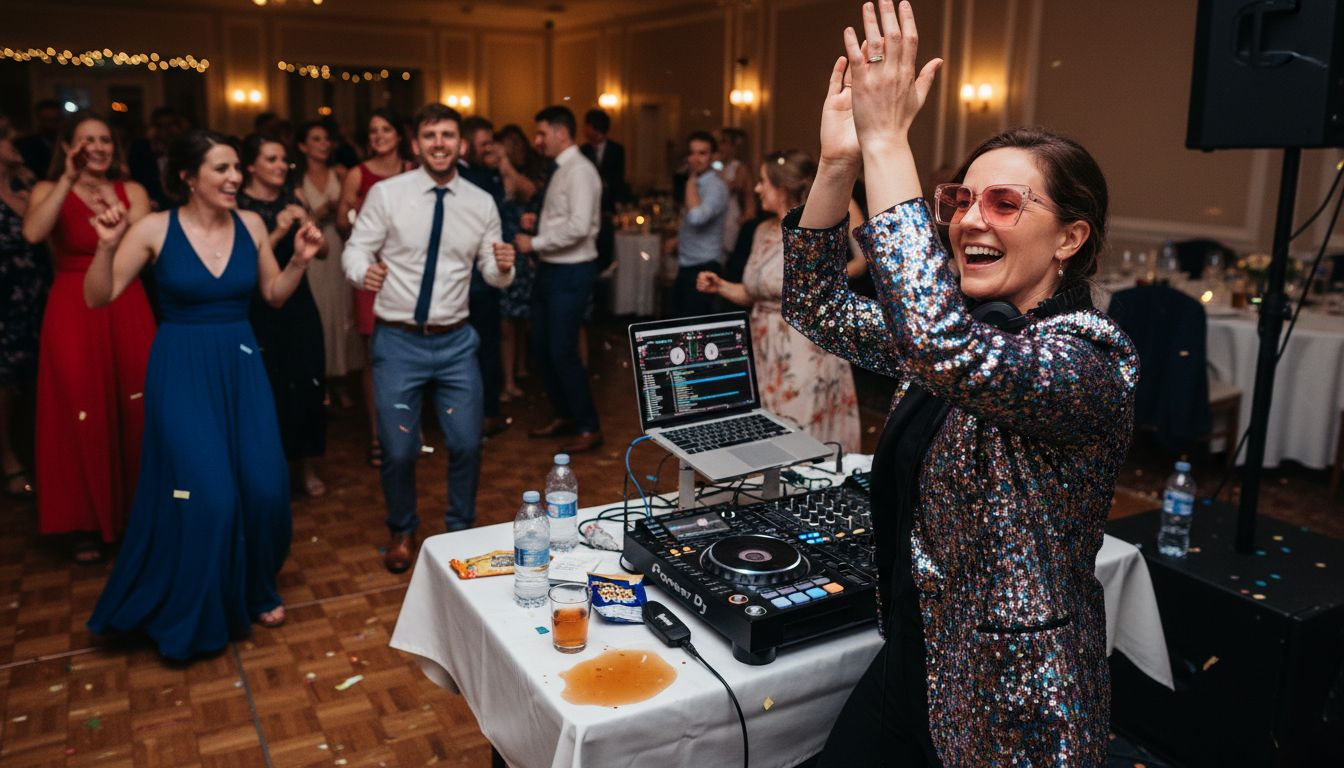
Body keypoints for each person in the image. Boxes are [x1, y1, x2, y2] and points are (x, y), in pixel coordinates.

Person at [783, 2, 1136, 765]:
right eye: (959, 199)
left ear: (1071, 237)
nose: (969, 220)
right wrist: (841, 162)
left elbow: (942, 347)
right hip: (913, 663)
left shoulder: (1088, 361)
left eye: (1005, 203)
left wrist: (887, 139)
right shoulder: (964, 339)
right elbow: (815, 308)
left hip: (1011, 704)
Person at [84, 129, 324, 658]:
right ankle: (199, 604)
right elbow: (97, 297)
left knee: (265, 488)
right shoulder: (153, 228)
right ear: (188, 177)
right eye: (221, 168)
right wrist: (105, 247)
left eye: (237, 167)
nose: (235, 177)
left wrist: (300, 260)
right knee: (209, 495)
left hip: (241, 365)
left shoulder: (253, 223)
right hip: (180, 369)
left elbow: (272, 295)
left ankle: (257, 585)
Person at [342, 103, 515, 574]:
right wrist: (364, 272)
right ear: (416, 144)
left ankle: (459, 529)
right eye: (430, 135)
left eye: (448, 135)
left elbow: (492, 274)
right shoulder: (388, 195)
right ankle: (401, 529)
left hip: (456, 341)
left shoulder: (481, 202)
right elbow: (354, 248)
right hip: (398, 340)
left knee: (467, 443)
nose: (440, 143)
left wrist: (503, 267)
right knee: (397, 450)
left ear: (460, 145)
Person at [22, 112, 156, 563]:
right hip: (73, 303)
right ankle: (85, 520)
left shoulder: (133, 190)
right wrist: (67, 179)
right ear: (69, 146)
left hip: (125, 296)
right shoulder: (46, 190)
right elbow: (34, 232)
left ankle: (141, 512)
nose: (97, 147)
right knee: (80, 405)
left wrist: (116, 228)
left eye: (104, 140)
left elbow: (142, 244)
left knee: (136, 402)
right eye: (86, 140)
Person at [697, 150, 860, 452]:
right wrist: (720, 286)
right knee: (762, 436)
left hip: (803, 350)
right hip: (761, 348)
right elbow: (755, 293)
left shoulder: (817, 227)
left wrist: (823, 283)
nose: (756, 189)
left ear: (781, 187)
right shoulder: (760, 231)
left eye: (762, 182)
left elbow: (864, 260)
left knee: (799, 438)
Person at [238, 133, 329, 498]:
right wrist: (276, 231)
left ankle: (305, 466)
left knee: (306, 381)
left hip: (299, 304)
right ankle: (269, 470)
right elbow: (239, 261)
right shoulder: (239, 207)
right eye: (271, 159)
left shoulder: (295, 198)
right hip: (256, 307)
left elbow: (321, 254)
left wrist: (305, 223)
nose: (280, 166)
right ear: (251, 166)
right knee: (268, 386)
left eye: (283, 160)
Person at [514, 105, 603, 453]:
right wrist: (538, 221)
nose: (537, 141)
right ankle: (564, 414)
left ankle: (588, 425)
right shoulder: (561, 169)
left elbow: (580, 227)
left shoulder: (580, 171)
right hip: (551, 269)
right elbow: (564, 217)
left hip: (571, 271)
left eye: (541, 133)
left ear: (561, 133)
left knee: (562, 350)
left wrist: (534, 241)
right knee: (542, 346)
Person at [337, 108, 416, 468]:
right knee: (376, 356)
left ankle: (410, 428)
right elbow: (342, 223)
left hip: (408, 273)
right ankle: (376, 433)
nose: (378, 136)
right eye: (373, 131)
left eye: (385, 129)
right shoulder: (358, 173)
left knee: (414, 350)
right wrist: (360, 213)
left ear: (399, 135)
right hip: (372, 272)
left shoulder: (413, 172)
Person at [294, 120, 361, 398]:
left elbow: (355, 211)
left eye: (326, 139)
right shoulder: (297, 180)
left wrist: (345, 213)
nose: (323, 144)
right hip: (314, 247)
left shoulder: (342, 173)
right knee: (320, 310)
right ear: (303, 146)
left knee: (343, 309)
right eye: (316, 139)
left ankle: (342, 379)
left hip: (341, 244)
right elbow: (301, 218)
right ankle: (321, 380)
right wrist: (323, 211)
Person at [0, 117, 47, 498]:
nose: (14, 140)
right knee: (2, 384)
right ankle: (8, 458)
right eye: (4, 135)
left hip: (30, 294)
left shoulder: (26, 184)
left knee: (29, 378)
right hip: (2, 296)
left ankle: (34, 454)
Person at [457, 115, 508, 436]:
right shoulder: (471, 178)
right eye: (484, 144)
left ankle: (484, 411)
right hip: (473, 281)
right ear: (467, 145)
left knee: (483, 347)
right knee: (481, 348)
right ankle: (483, 413)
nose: (489, 149)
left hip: (483, 277)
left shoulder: (482, 174)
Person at [494, 124, 543, 402]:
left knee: (517, 319)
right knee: (505, 324)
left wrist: (506, 165)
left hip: (517, 255)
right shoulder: (490, 178)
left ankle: (517, 371)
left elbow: (531, 192)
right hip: (497, 252)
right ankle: (509, 379)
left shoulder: (518, 177)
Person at [665, 131, 729, 318]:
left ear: (713, 156)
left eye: (702, 153)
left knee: (695, 328)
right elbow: (690, 224)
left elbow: (696, 217)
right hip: (687, 263)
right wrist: (678, 240)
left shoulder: (716, 187)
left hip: (705, 266)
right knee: (678, 323)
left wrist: (691, 181)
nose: (696, 158)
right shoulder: (697, 182)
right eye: (692, 153)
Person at [580, 108, 626, 273]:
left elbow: (619, 179)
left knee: (606, 251)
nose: (584, 130)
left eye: (586, 126)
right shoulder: (583, 150)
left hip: (607, 209)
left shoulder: (616, 150)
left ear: (593, 127)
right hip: (588, 207)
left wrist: (617, 205)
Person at [716, 127, 758, 260]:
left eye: (723, 142)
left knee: (728, 255)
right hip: (714, 215)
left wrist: (746, 216)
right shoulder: (715, 166)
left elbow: (741, 191)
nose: (718, 147)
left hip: (730, 216)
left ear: (731, 146)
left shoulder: (738, 167)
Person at [16, 99, 63, 179]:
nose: (50, 125)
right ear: (38, 120)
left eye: (55, 120)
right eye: (46, 120)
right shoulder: (25, 145)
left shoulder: (68, 143)